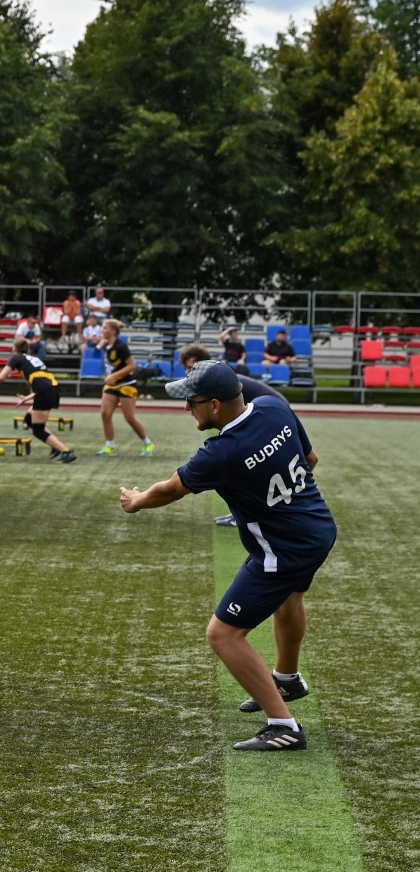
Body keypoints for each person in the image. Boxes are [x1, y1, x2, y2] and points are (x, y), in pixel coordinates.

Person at [118, 360, 336, 753]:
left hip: (284, 550)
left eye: (192, 401)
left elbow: (170, 489)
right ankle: (287, 678)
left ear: (215, 405)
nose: (187, 408)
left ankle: (283, 725)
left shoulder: (222, 452)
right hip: (318, 529)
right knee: (289, 601)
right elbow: (312, 459)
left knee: (223, 635)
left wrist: (135, 501)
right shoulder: (274, 408)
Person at [180, 345, 318, 526]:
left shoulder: (219, 386)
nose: (187, 373)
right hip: (275, 407)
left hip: (273, 410)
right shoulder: (221, 381)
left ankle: (274, 505)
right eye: (186, 368)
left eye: (191, 368)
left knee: (242, 468)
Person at [0, 337, 78, 462]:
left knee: (38, 430)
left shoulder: (16, 358)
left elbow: (2, 376)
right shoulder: (34, 359)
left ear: (15, 349)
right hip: (51, 389)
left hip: (45, 392)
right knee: (29, 419)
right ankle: (55, 446)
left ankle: (66, 452)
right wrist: (28, 397)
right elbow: (44, 381)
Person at [96, 318, 153, 457]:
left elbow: (132, 365)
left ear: (113, 331)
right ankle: (110, 446)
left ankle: (147, 443)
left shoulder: (121, 346)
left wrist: (114, 375)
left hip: (126, 384)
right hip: (113, 385)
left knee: (129, 417)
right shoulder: (107, 345)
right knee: (105, 414)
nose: (102, 330)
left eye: (105, 328)